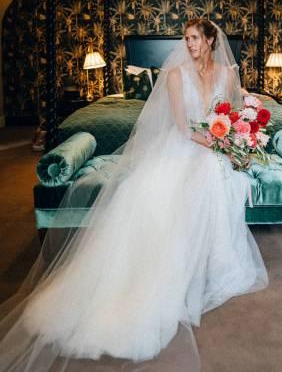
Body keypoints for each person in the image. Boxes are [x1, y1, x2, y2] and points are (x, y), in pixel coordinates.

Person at [0, 19, 268, 371]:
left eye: (193, 39)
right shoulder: (174, 76)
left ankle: (211, 261)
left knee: (216, 175)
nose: (188, 45)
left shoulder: (227, 73)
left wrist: (245, 115)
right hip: (184, 146)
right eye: (185, 39)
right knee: (199, 175)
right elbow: (183, 127)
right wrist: (221, 145)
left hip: (214, 146)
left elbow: (235, 105)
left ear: (210, 40)